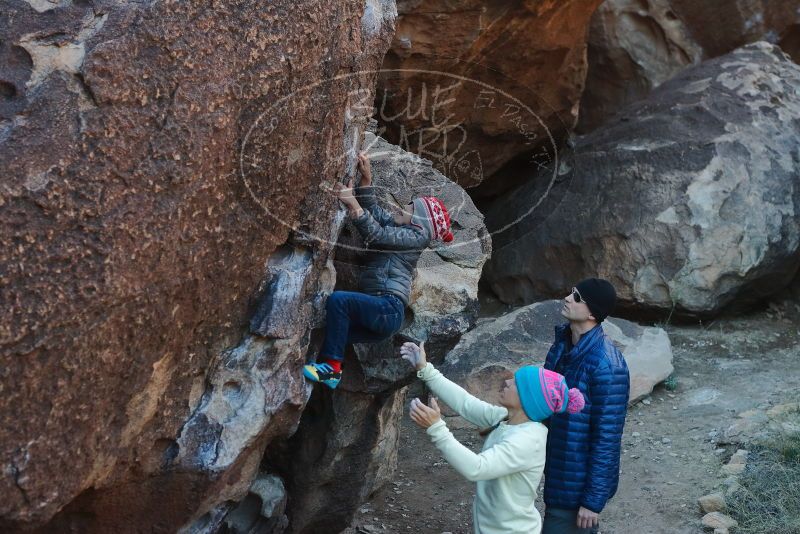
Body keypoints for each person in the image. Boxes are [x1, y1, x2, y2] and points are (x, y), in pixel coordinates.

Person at [303, 153, 454, 389]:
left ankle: (331, 370)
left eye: (409, 207)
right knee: (333, 327)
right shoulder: (403, 230)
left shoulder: (414, 238)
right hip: (383, 315)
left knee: (339, 302)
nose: (403, 207)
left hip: (388, 308)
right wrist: (366, 181)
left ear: (418, 221)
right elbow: (377, 215)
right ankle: (326, 367)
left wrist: (351, 203)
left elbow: (376, 234)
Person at [401, 341, 585, 534]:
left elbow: (476, 468)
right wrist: (426, 370)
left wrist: (437, 428)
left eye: (516, 383)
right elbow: (465, 403)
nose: (507, 382)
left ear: (528, 400)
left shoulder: (528, 440)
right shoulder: (505, 418)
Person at [541, 278, 630, 534]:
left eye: (577, 297)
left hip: (577, 488)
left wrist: (593, 501)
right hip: (558, 473)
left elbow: (607, 438)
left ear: (592, 313)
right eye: (571, 293)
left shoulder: (608, 365)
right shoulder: (562, 346)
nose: (568, 299)